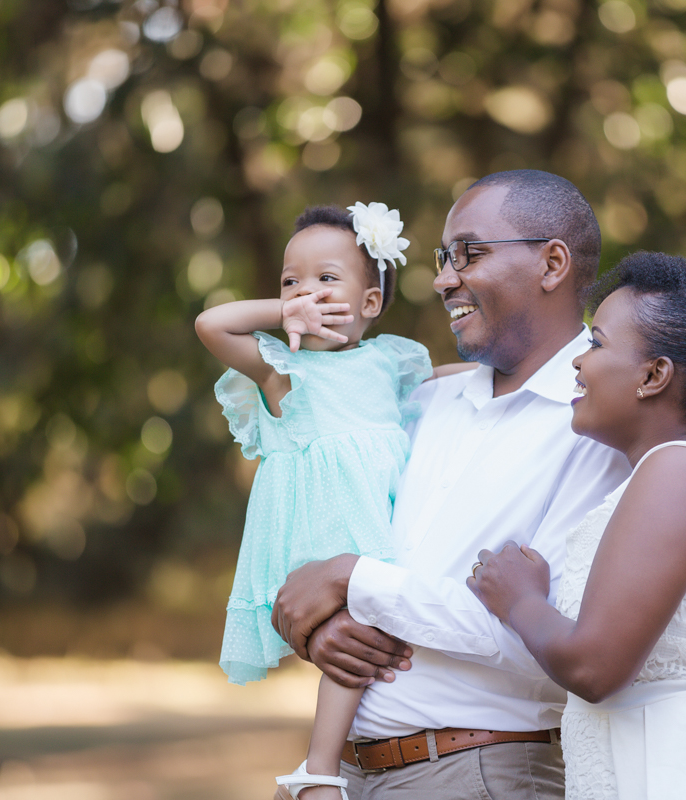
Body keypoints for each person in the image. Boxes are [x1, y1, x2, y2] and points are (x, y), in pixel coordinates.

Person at [271, 171, 632, 799]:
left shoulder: (598, 429)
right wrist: (325, 628)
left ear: (552, 263)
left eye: (469, 254)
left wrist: (352, 579)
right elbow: (340, 531)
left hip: (478, 774)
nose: (442, 278)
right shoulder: (423, 401)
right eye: (443, 257)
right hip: (343, 775)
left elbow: (553, 647)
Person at [467, 251, 686, 799]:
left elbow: (595, 667)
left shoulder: (678, 471)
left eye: (596, 343)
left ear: (654, 375)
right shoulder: (675, 471)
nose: (578, 363)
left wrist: (519, 601)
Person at [196, 202, 469, 800]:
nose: (305, 294)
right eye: (291, 281)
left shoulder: (390, 360)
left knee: (374, 636)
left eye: (326, 280)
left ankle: (332, 764)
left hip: (382, 514)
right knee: (352, 626)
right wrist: (281, 313)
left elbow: (455, 381)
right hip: (322, 525)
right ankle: (318, 768)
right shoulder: (282, 369)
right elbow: (212, 325)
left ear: (369, 304)